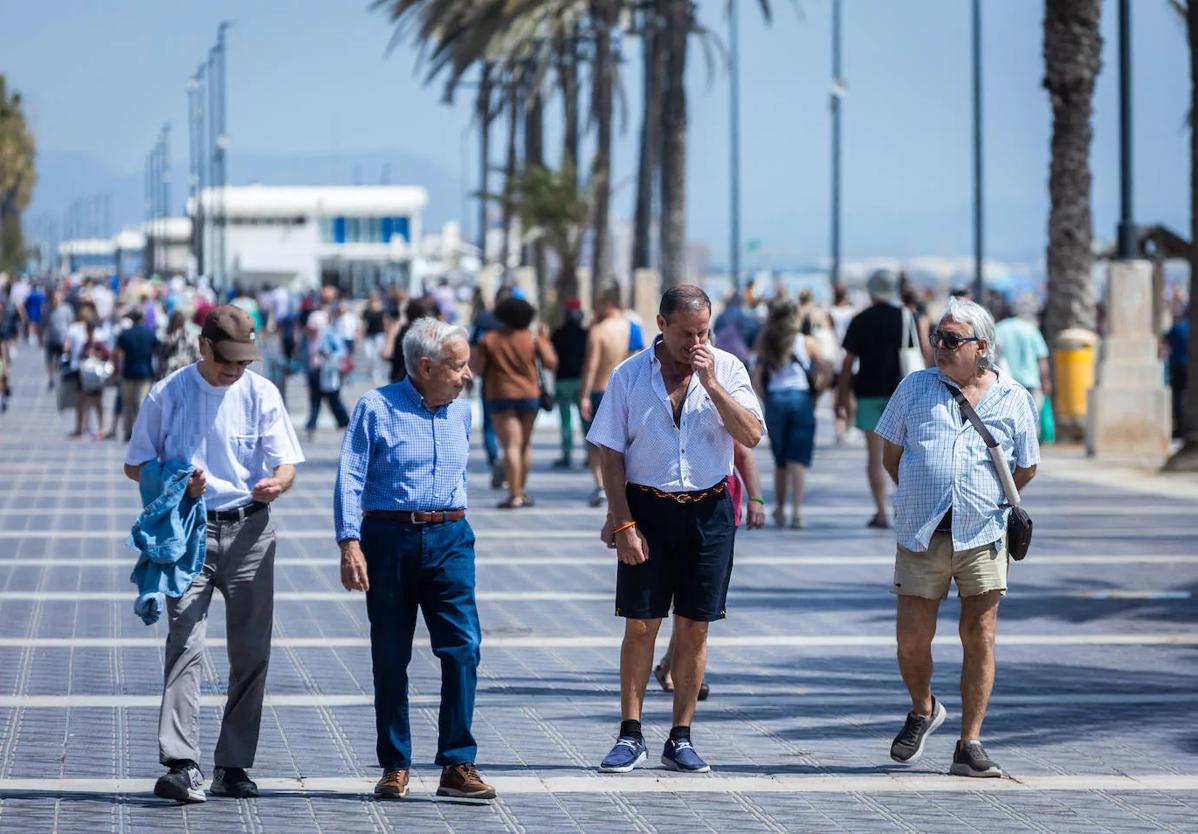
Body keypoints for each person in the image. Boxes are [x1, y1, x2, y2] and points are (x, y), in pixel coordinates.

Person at [123, 305, 305, 803]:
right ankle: (181, 763)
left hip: (251, 531)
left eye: (244, 361)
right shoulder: (170, 393)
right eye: (227, 359)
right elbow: (135, 463)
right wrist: (179, 481)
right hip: (191, 533)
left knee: (251, 653)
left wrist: (277, 484)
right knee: (185, 643)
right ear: (203, 346)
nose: (235, 370)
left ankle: (233, 764)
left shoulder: (261, 393)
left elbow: (287, 462)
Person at [587, 285, 764, 774]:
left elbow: (750, 434)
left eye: (703, 331)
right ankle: (630, 733)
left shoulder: (727, 369)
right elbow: (611, 454)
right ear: (662, 324)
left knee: (695, 628)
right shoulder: (628, 376)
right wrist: (622, 522)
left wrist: (713, 386)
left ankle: (681, 736)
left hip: (710, 511)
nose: (696, 342)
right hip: (647, 509)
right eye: (687, 333)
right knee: (641, 625)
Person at [874, 298, 1039, 779]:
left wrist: (986, 498)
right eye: (936, 339)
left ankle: (970, 742)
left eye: (951, 340)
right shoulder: (914, 388)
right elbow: (892, 455)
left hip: (983, 533)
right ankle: (923, 709)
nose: (939, 348)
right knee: (911, 641)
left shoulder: (1014, 397)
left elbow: (1025, 467)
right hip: (922, 534)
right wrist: (923, 494)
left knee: (980, 636)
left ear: (981, 347)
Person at [334, 317, 496, 802]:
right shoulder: (375, 407)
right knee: (390, 655)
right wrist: (349, 541)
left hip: (450, 537)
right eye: (458, 366)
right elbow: (350, 475)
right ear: (425, 367)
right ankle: (394, 764)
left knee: (463, 648)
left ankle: (457, 762)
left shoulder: (462, 413)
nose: (468, 375)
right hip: (389, 539)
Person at [649, 441, 766, 700]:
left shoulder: (721, 408)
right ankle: (676, 668)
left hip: (718, 513)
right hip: (672, 511)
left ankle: (675, 667)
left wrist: (756, 498)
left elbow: (743, 452)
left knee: (694, 602)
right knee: (685, 600)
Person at [836, 269, 907, 529]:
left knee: (875, 456)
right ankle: (907, 505)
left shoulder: (861, 319)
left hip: (867, 394)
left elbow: (848, 361)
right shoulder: (905, 318)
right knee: (905, 456)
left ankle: (881, 512)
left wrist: (841, 396)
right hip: (901, 394)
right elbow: (921, 353)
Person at [471, 297, 557, 509]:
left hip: (500, 395)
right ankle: (522, 490)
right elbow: (551, 363)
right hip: (529, 395)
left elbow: (478, 370)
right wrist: (544, 340)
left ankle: (514, 494)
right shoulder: (532, 339)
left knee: (510, 445)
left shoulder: (490, 339)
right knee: (525, 445)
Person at [753, 298, 826, 529]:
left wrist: (766, 398)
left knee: (780, 459)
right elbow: (827, 369)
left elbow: (755, 377)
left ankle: (780, 509)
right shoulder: (806, 342)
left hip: (776, 400)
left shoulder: (766, 341)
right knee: (799, 458)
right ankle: (796, 511)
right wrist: (816, 394)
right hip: (801, 399)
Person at [580, 286, 645, 507]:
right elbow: (639, 359)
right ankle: (623, 485)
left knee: (596, 444)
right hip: (626, 390)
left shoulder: (598, 330)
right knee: (624, 442)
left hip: (600, 389)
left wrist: (584, 395)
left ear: (607, 304)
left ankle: (600, 486)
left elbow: (591, 364)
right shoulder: (633, 328)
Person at [550, 297, 589, 469]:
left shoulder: (557, 334)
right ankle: (590, 454)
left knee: (565, 421)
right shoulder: (586, 335)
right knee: (586, 421)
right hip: (581, 382)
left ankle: (567, 454)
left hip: (562, 381)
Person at [303, 310, 351, 440]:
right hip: (314, 371)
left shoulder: (329, 333)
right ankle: (311, 425)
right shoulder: (309, 337)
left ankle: (345, 422)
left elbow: (341, 350)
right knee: (315, 400)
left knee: (334, 399)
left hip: (327, 371)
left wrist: (329, 356)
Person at [115, 307, 159, 442]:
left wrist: (117, 370)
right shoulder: (150, 334)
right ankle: (140, 432)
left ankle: (128, 430)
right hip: (145, 372)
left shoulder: (125, 334)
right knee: (140, 403)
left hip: (128, 372)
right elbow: (157, 351)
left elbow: (118, 354)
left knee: (127, 404)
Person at [1163, 310, 1190, 438]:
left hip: (1177, 366)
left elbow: (1166, 340)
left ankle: (1180, 427)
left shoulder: (1176, 328)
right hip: (1190, 366)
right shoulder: (1191, 327)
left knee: (1178, 398)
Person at [157, 310, 201, 380]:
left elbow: (160, 358)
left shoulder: (165, 337)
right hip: (184, 372)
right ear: (183, 322)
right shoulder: (191, 337)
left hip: (168, 373)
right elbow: (198, 356)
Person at [44, 290, 74, 389]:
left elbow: (71, 324)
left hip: (63, 340)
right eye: (54, 297)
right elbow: (44, 323)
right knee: (49, 360)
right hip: (51, 339)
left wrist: (69, 340)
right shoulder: (48, 309)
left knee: (62, 360)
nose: (55, 299)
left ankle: (61, 377)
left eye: (57, 297)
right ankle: (51, 379)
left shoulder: (67, 309)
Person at [361, 291, 390, 385]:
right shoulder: (366, 311)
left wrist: (388, 335)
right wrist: (360, 335)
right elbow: (363, 325)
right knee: (368, 354)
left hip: (379, 335)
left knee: (377, 355)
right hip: (368, 335)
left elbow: (386, 323)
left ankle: (376, 372)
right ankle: (372, 370)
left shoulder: (382, 311)